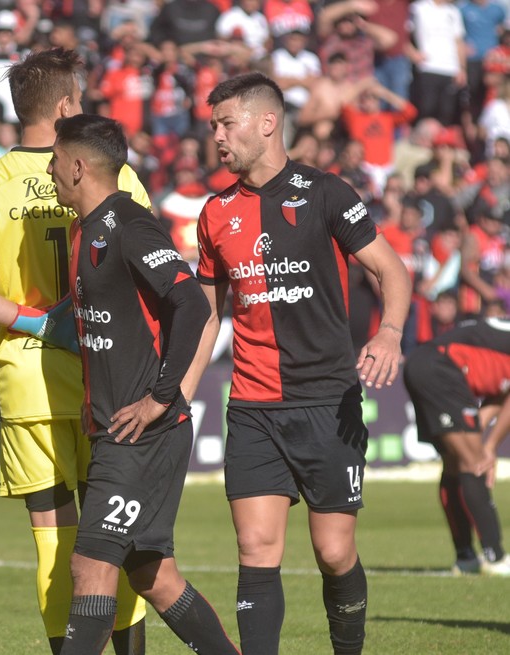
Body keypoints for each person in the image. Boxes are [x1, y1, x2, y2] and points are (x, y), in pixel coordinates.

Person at [185, 72, 412, 655]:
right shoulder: (214, 214)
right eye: (213, 127)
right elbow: (207, 317)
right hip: (255, 407)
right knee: (256, 549)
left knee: (334, 552)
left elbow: (392, 270)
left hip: (326, 402)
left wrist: (388, 334)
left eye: (226, 123)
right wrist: (179, 394)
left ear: (268, 123)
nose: (217, 137)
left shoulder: (328, 194)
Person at [0, 47, 149, 655]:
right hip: (108, 377)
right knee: (116, 536)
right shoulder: (114, 171)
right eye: (79, 100)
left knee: (54, 541)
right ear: (63, 107)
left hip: (30, 382)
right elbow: (149, 265)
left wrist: (35, 322)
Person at [46, 114, 236, 655]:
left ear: (79, 166)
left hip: (141, 431)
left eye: (56, 162)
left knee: (90, 565)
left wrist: (160, 397)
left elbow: (192, 303)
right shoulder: (86, 229)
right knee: (154, 576)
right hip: (118, 427)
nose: (52, 173)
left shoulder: (129, 223)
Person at [403, 318, 510, 575]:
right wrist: (490, 446)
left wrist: (480, 434)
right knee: (475, 464)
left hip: (424, 364)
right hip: (440, 367)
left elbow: (501, 395)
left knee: (455, 466)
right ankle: (494, 557)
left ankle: (466, 557)